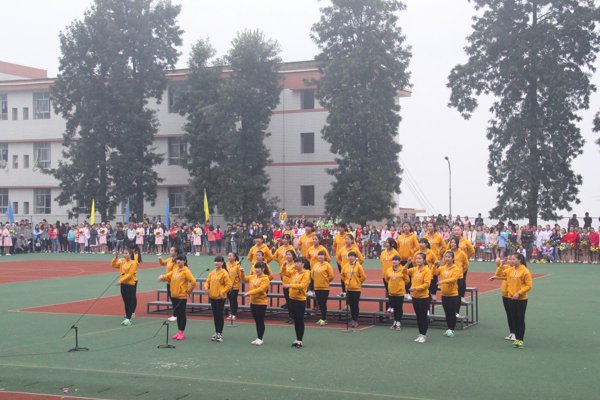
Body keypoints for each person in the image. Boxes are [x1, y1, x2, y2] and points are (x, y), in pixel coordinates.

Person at [490, 253, 533, 349]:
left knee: (520, 319)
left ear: (519, 260)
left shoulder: (525, 271)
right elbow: (499, 274)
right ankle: (516, 338)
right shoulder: (510, 270)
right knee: (514, 318)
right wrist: (501, 265)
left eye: (514, 259)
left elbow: (529, 285)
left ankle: (520, 339)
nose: (512, 261)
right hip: (511, 298)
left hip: (521, 299)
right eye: (511, 259)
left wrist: (519, 293)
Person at [157, 255, 196, 340]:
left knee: (182, 314)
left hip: (181, 296)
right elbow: (168, 275)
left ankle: (181, 332)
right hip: (174, 295)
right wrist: (162, 277)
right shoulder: (175, 270)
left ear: (184, 261)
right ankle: (179, 331)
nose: (178, 261)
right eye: (178, 260)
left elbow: (193, 281)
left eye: (181, 260)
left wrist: (188, 291)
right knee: (178, 314)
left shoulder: (186, 271)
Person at [433, 251, 462, 337]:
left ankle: (452, 329)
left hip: (453, 294)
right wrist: (435, 265)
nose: (447, 258)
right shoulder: (442, 267)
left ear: (453, 258)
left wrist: (443, 281)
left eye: (449, 257)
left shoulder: (456, 268)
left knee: (452, 312)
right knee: (447, 313)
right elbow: (434, 273)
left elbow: (454, 279)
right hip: (444, 294)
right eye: (446, 257)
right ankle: (448, 328)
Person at [284, 257, 312, 348]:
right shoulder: (294, 272)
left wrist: (290, 285)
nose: (296, 264)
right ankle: (297, 338)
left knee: (300, 319)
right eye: (295, 262)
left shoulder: (306, 273)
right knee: (295, 320)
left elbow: (302, 285)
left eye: (298, 262)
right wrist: (284, 266)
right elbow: (284, 273)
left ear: (303, 264)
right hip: (292, 298)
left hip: (300, 299)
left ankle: (300, 340)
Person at [241, 262, 271, 346]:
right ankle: (258, 337)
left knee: (260, 320)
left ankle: (260, 338)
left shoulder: (265, 279)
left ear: (263, 269)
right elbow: (244, 279)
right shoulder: (252, 276)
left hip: (261, 303)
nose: (256, 270)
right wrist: (242, 272)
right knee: (257, 320)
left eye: (258, 268)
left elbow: (261, 289)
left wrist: (249, 293)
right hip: (253, 302)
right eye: (256, 268)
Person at [204, 255, 232, 342]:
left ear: (222, 263)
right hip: (212, 297)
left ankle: (220, 333)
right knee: (215, 315)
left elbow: (229, 285)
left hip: (220, 298)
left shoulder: (224, 273)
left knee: (220, 315)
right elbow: (207, 282)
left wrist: (222, 292)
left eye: (218, 261)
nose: (216, 263)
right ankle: (216, 332)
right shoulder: (212, 272)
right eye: (215, 261)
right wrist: (206, 287)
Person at [407, 253, 432, 343]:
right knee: (418, 316)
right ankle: (420, 333)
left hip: (423, 297)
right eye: (416, 258)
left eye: (419, 258)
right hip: (415, 297)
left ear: (424, 260)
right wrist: (407, 263)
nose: (417, 260)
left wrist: (415, 288)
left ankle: (424, 335)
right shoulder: (414, 269)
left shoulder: (427, 271)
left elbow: (427, 284)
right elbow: (403, 272)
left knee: (423, 316)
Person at [489, 256, 515, 340]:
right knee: (509, 314)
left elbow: (506, 277)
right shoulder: (506, 267)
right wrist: (501, 265)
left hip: (512, 295)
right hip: (505, 294)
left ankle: (516, 333)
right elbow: (499, 274)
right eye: (509, 259)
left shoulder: (515, 270)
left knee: (513, 314)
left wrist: (496, 277)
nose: (510, 261)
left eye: (512, 259)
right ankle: (511, 332)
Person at [111, 248, 139, 326]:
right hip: (123, 283)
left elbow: (130, 274)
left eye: (126, 253)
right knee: (125, 300)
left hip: (131, 283)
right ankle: (127, 316)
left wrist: (120, 281)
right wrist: (115, 257)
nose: (125, 255)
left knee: (130, 300)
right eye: (124, 253)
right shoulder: (122, 261)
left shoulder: (133, 263)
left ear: (130, 254)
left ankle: (129, 317)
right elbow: (113, 265)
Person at [340, 251, 366, 328]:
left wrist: (358, 282)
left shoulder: (358, 266)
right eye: (349, 256)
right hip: (348, 289)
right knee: (350, 305)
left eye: (352, 256)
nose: (350, 258)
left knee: (355, 305)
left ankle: (355, 320)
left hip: (356, 289)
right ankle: (352, 319)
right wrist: (346, 282)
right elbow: (342, 275)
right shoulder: (345, 266)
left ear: (355, 257)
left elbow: (363, 276)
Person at [383, 255, 409, 330]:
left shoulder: (403, 270)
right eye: (393, 260)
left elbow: (407, 280)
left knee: (399, 308)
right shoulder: (388, 270)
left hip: (399, 293)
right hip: (391, 292)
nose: (394, 261)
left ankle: (398, 322)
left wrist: (400, 285)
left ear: (399, 262)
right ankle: (395, 321)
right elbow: (386, 279)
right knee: (393, 308)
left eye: (396, 260)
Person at [336, 234, 364, 298]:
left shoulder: (355, 249)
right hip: (345, 270)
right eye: (345, 239)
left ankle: (350, 296)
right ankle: (344, 292)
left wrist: (355, 265)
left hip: (352, 271)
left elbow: (361, 260)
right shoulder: (342, 249)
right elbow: (338, 258)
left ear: (352, 240)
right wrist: (342, 265)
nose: (346, 240)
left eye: (348, 239)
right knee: (343, 280)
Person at [311, 250, 334, 326]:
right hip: (317, 287)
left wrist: (325, 280)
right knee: (320, 303)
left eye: (322, 255)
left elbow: (331, 276)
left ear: (325, 257)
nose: (320, 256)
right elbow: (312, 275)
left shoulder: (327, 265)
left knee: (323, 303)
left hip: (324, 288)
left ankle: (324, 318)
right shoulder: (315, 265)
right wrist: (317, 281)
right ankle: (322, 318)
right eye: (319, 255)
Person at [449, 237, 469, 317]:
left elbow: (466, 265)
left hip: (459, 278)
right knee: (450, 296)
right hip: (449, 277)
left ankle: (456, 312)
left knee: (458, 296)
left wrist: (461, 272)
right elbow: (444, 263)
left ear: (457, 243)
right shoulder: (448, 252)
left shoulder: (462, 253)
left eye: (454, 242)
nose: (452, 244)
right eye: (451, 242)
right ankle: (450, 312)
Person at [158, 246, 179, 322]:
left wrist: (164, 277)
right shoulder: (170, 259)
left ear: (176, 252)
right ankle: (176, 314)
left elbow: (173, 272)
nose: (170, 252)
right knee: (172, 298)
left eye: (172, 250)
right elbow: (163, 263)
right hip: (169, 282)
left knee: (174, 299)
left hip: (174, 282)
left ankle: (175, 315)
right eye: (170, 250)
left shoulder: (177, 261)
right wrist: (160, 259)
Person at [379, 238, 400, 313]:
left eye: (388, 242)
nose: (386, 244)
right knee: (388, 292)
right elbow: (382, 262)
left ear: (392, 244)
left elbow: (397, 264)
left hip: (393, 276)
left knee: (392, 292)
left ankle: (393, 307)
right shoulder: (383, 253)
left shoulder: (395, 253)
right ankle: (389, 307)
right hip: (385, 275)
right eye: (386, 242)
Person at [280, 249, 297, 323]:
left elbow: (290, 273)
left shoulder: (295, 264)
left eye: (289, 254)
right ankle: (290, 317)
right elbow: (281, 272)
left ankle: (294, 317)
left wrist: (285, 271)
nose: (288, 256)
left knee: (292, 302)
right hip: (285, 285)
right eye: (287, 254)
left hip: (292, 285)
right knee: (288, 302)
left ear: (293, 256)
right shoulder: (285, 264)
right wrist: (284, 265)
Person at [226, 252, 243, 321]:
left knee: (233, 300)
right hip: (228, 286)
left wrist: (237, 280)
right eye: (228, 256)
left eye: (230, 256)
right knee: (230, 300)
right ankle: (231, 313)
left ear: (234, 257)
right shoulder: (226, 264)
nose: (229, 257)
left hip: (234, 286)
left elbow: (240, 276)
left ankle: (234, 314)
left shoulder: (237, 265)